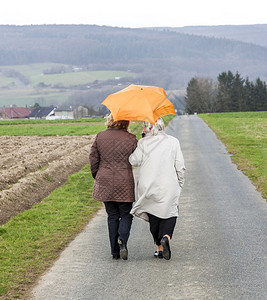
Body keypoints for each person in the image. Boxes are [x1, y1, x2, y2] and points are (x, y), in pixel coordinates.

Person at [129, 118, 185, 260]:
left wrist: (142, 140)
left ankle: (159, 249)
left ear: (148, 129)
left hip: (148, 185)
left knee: (153, 214)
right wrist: (180, 182)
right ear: (163, 128)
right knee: (170, 212)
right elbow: (180, 165)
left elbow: (133, 161)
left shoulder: (143, 142)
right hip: (169, 184)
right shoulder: (173, 141)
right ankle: (166, 237)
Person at [89, 114, 138, 260]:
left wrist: (97, 175)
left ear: (110, 120)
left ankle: (114, 252)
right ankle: (122, 238)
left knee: (112, 215)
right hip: (124, 181)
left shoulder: (100, 136)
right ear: (126, 122)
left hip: (105, 180)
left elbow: (93, 159)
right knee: (126, 214)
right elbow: (138, 158)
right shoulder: (131, 139)